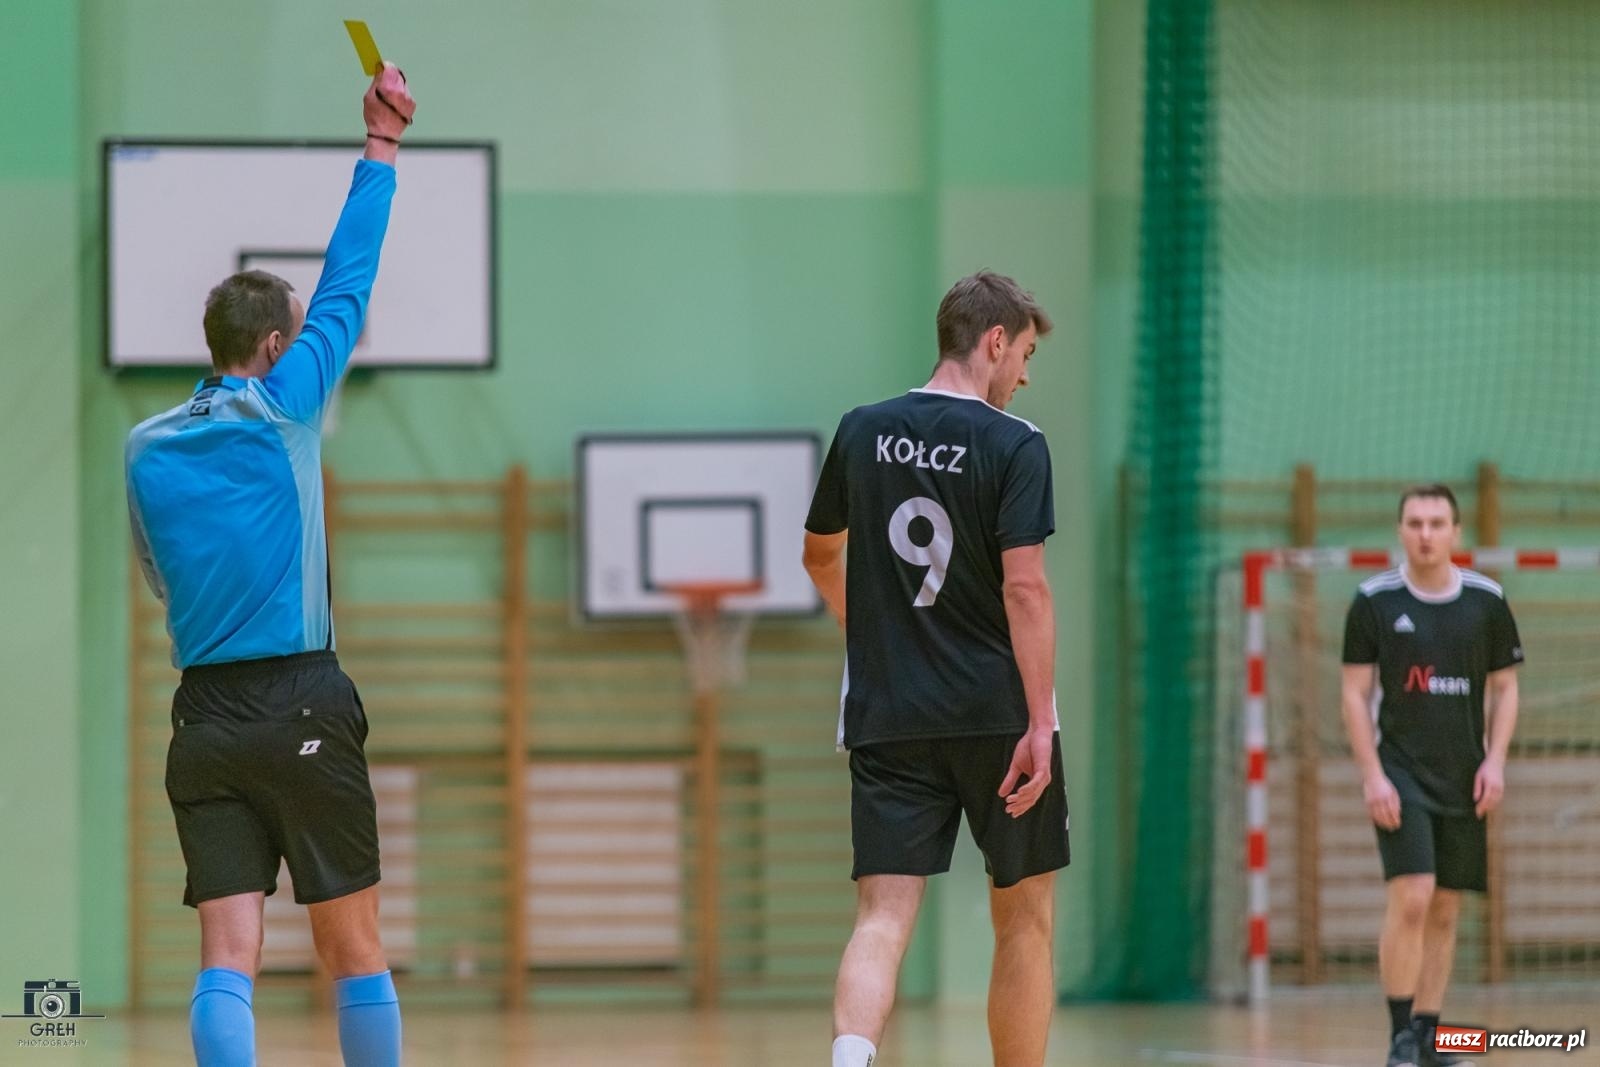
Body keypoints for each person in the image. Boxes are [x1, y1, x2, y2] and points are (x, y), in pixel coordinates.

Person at [124, 64, 416, 1067]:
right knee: (355, 949)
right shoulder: (284, 406)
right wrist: (381, 145)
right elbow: (349, 278)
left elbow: (159, 576)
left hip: (202, 720)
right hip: (298, 700)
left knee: (226, 958)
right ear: (278, 344)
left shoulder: (145, 446)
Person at [803, 271, 1068, 1067]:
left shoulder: (861, 429)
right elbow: (1025, 588)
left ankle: (851, 1060)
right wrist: (1041, 722)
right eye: (1024, 355)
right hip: (998, 716)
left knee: (881, 919)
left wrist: (870, 635)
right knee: (1024, 920)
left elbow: (819, 555)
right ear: (995, 341)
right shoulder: (1016, 443)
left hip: (890, 711)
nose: (1024, 375)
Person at [1340, 485, 1523, 1067]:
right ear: (1400, 531)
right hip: (1401, 771)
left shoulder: (1487, 601)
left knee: (1445, 906)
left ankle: (1430, 1036)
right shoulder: (1373, 601)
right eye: (1415, 523)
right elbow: (1353, 693)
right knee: (1413, 896)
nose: (1426, 534)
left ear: (1456, 532)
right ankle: (1400, 1035)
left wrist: (1495, 760)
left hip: (1465, 773)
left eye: (1437, 523)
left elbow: (1506, 688)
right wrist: (1372, 776)